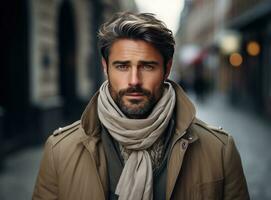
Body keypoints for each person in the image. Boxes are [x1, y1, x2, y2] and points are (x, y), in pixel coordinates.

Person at [32, 12, 249, 200]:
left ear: (167, 69)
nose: (134, 80)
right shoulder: (59, 151)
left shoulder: (219, 151)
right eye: (122, 66)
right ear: (106, 68)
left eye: (147, 66)